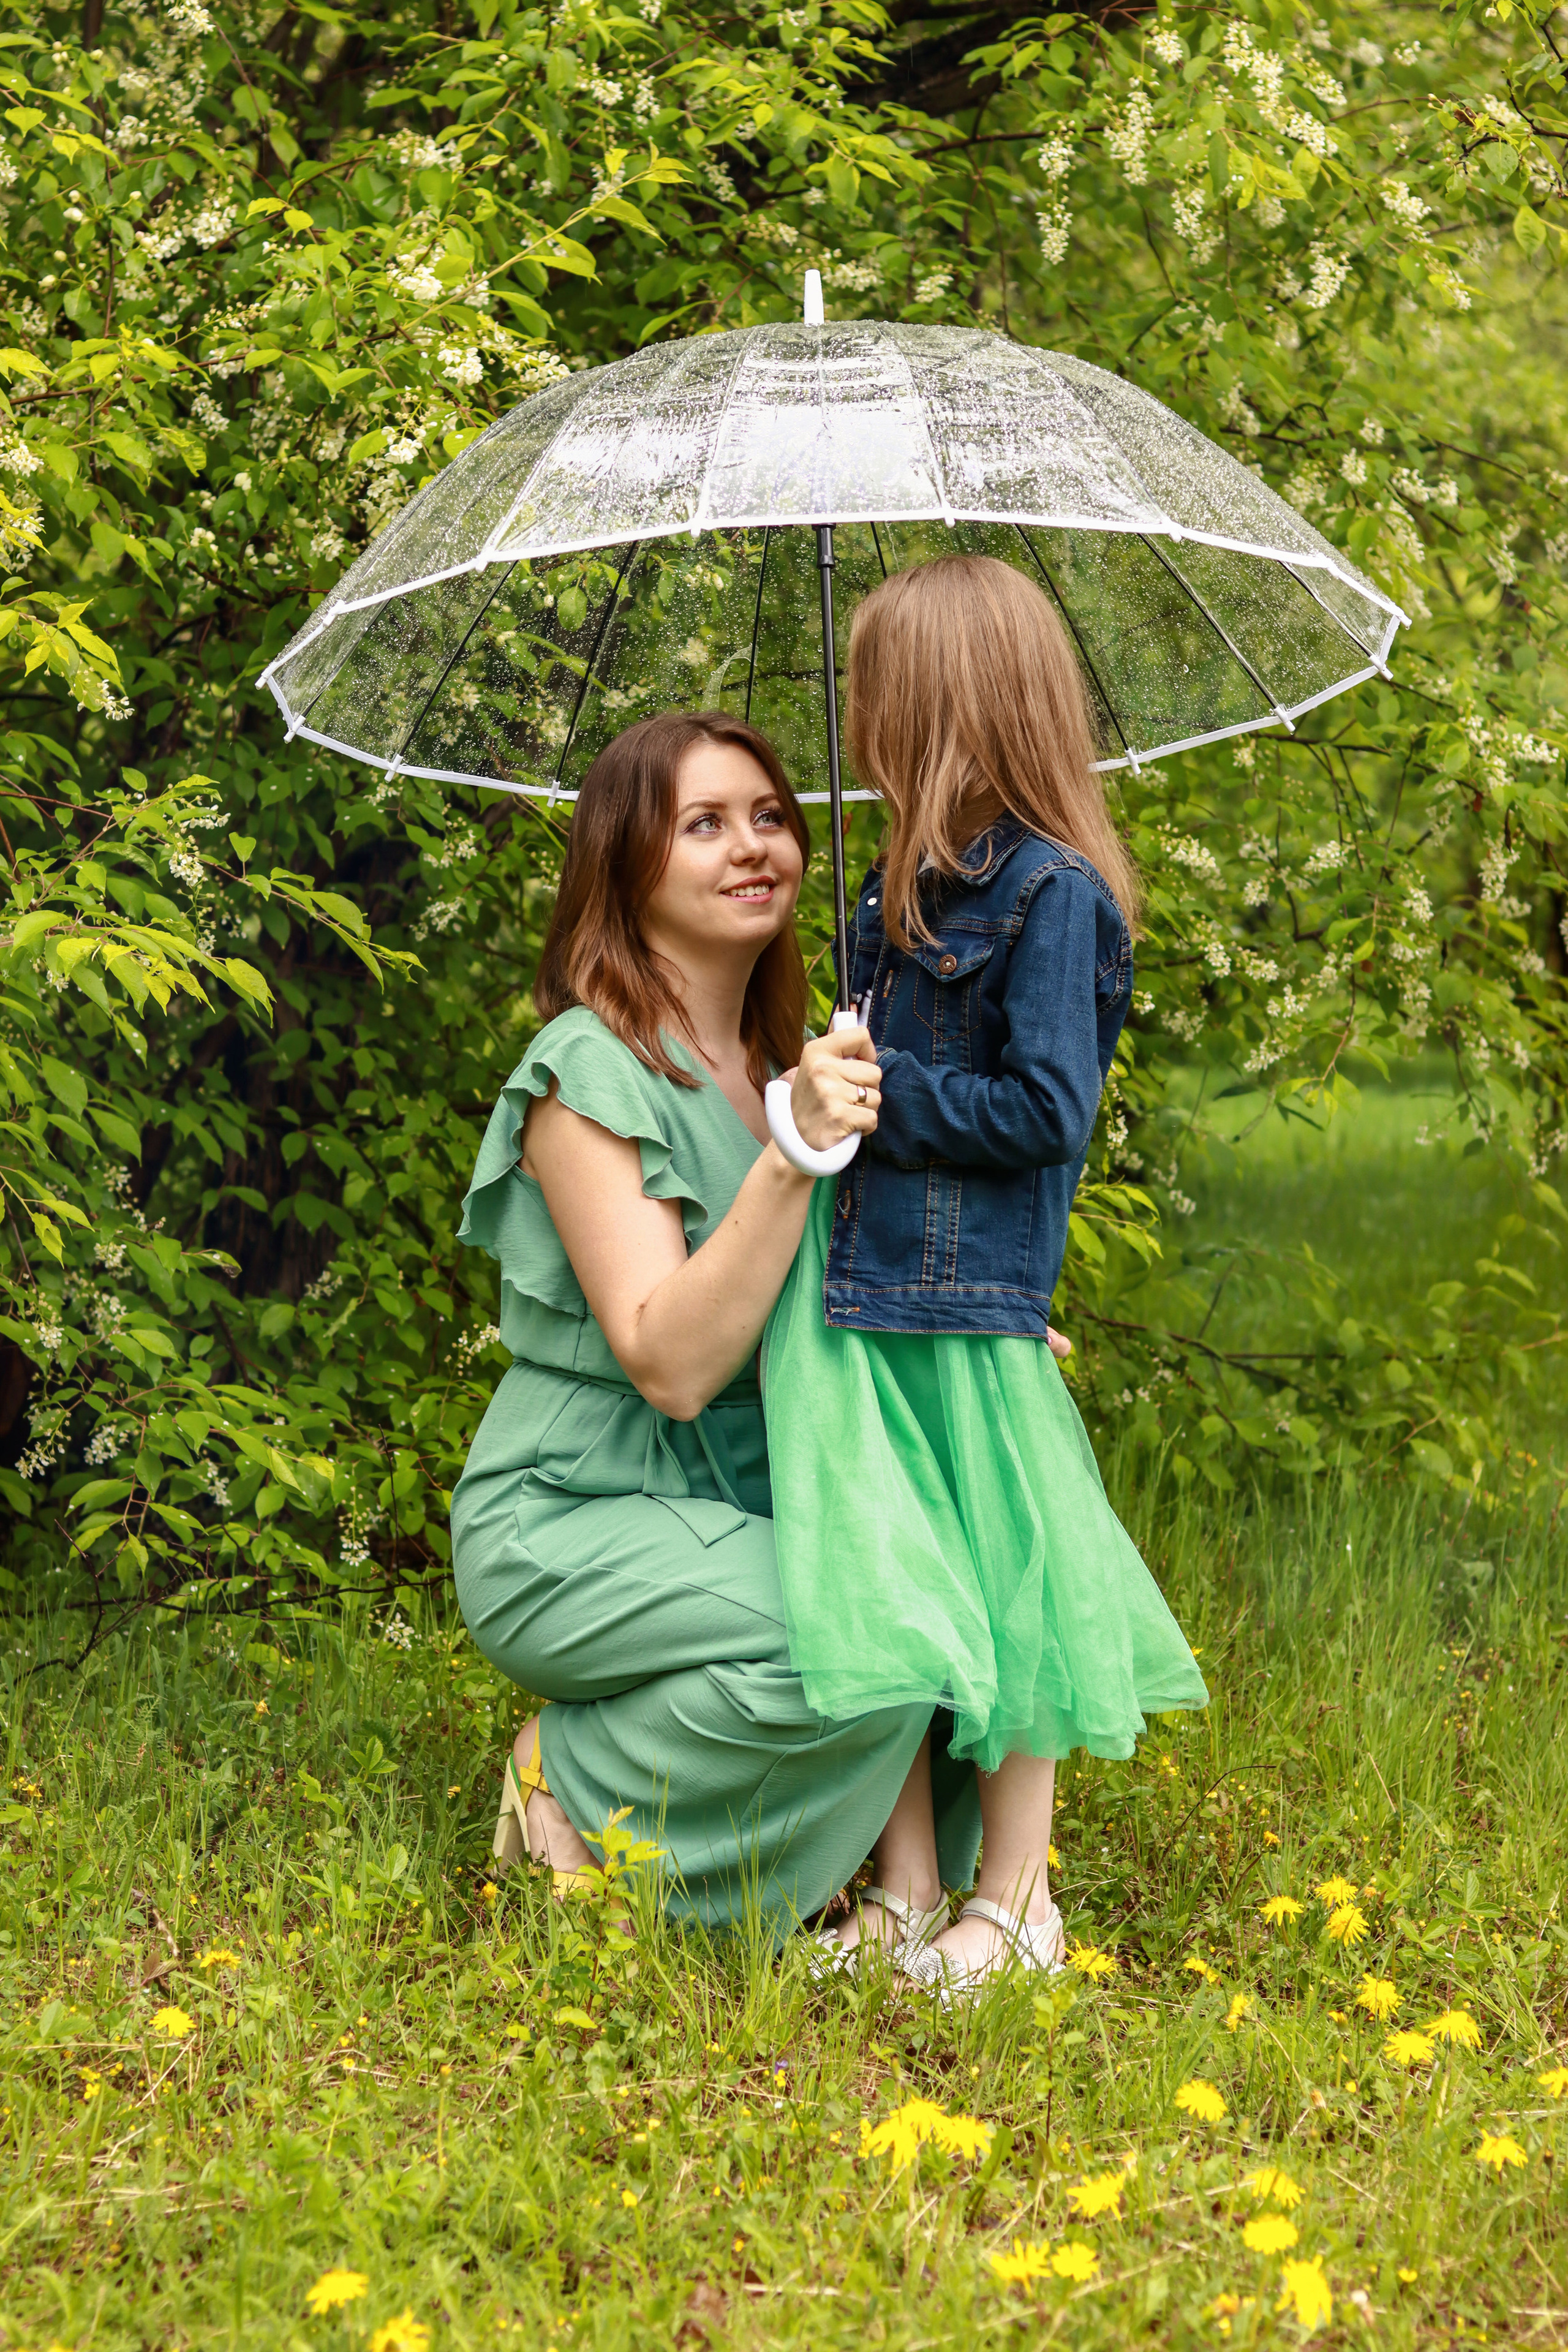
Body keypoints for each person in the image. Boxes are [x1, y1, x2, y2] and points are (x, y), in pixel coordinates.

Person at [450, 708, 982, 1943]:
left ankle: (813, 1861)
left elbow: (835, 1310)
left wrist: (977, 1326)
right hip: (572, 1514)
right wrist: (792, 1162)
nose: (752, 847)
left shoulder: (787, 1065)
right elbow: (671, 1362)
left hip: (748, 1497)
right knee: (874, 1633)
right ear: (626, 864)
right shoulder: (586, 1072)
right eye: (702, 824)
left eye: (768, 817)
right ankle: (568, 1780)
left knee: (957, 1600)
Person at [763, 552, 1210, 1996]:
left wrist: (881, 1092)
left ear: (944, 705)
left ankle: (1014, 1905)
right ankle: (901, 1893)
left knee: (1010, 1593)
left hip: (960, 1309)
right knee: (891, 1588)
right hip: (852, 1301)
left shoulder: (1047, 893)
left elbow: (1043, 1114)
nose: (854, 718)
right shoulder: (883, 900)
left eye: (872, 691)